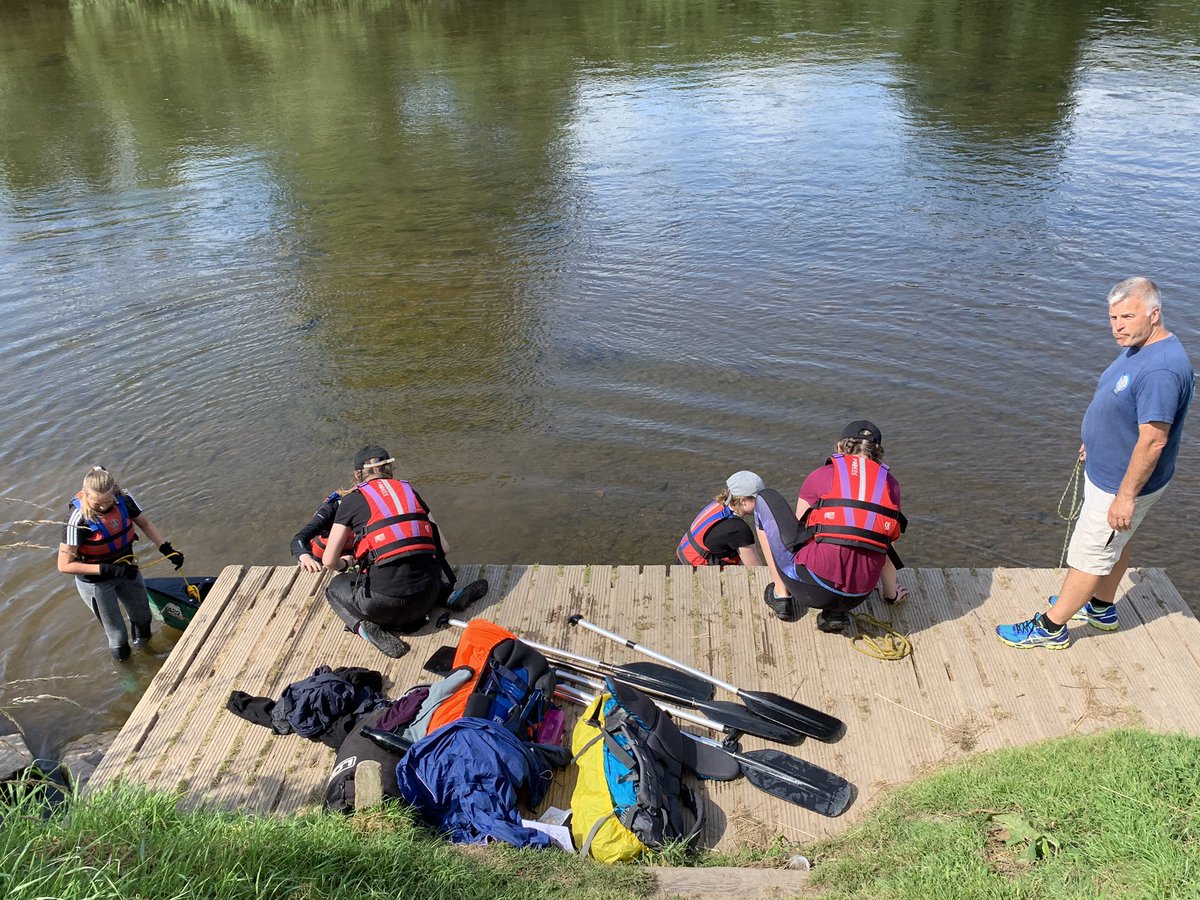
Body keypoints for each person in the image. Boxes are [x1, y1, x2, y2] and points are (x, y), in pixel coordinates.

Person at [998, 277, 1193, 650]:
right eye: (1113, 317)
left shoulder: (1162, 370)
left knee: (1090, 552)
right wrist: (1096, 440)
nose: (1118, 326)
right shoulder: (1141, 347)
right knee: (1115, 543)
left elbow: (1153, 441)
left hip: (1120, 483)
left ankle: (1051, 629)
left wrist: (1125, 497)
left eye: (1127, 316)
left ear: (1154, 314)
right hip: (1108, 470)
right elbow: (1122, 404)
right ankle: (1100, 607)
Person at [321, 446, 488, 659]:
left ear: (357, 475)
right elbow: (443, 547)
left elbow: (328, 561)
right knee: (418, 568)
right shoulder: (409, 492)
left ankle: (365, 629)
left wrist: (345, 564)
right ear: (390, 468)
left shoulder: (353, 499)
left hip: (384, 606)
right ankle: (451, 596)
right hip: (428, 593)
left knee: (335, 588)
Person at [754, 421, 906, 632]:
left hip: (811, 588)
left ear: (839, 447)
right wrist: (890, 595)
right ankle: (835, 614)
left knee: (764, 498)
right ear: (878, 454)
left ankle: (781, 595)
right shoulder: (890, 485)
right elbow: (884, 545)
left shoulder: (821, 475)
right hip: (858, 596)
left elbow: (799, 532)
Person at [57, 466, 185, 660]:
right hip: (96, 583)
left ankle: (147, 657)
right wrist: (105, 569)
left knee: (143, 618)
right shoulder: (77, 519)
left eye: (108, 502)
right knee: (117, 636)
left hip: (126, 570)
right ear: (84, 495)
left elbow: (145, 523)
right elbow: (64, 565)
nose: (103, 507)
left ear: (115, 492)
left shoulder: (123, 499)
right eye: (96, 503)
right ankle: (129, 678)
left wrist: (166, 548)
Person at [677, 471, 766, 568]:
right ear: (743, 501)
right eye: (758, 499)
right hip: (695, 572)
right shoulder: (739, 530)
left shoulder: (717, 505)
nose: (762, 502)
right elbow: (756, 569)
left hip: (682, 562)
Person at [290, 490, 353, 574]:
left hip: (349, 552)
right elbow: (298, 539)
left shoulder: (367, 504)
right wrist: (305, 557)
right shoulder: (328, 510)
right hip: (322, 557)